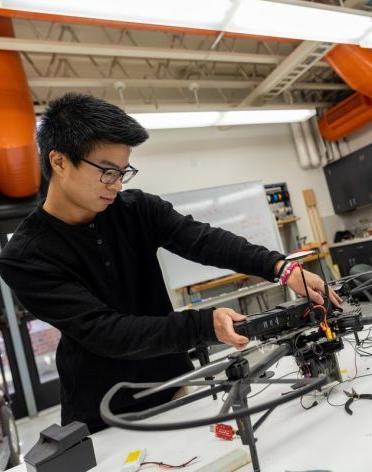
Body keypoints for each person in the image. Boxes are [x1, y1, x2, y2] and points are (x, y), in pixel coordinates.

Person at [0, 93, 341, 433]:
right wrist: (203, 326)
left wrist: (281, 267)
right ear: (59, 162)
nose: (117, 185)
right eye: (106, 172)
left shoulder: (137, 209)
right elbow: (105, 331)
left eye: (123, 172)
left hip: (174, 385)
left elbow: (202, 240)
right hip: (102, 413)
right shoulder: (27, 255)